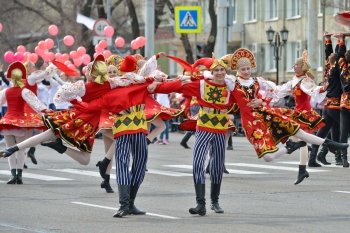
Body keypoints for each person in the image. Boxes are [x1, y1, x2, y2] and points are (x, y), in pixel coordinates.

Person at [149, 57, 238, 216]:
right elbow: (179, 85)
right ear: (211, 72)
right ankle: (200, 204)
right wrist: (157, 86)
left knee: (217, 165)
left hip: (220, 126)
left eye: (222, 70)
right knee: (198, 163)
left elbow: (245, 98)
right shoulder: (202, 85)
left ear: (226, 71)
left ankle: (215, 201)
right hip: (204, 125)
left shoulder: (231, 86)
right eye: (216, 70)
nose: (219, 73)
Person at [0, 61, 47, 184]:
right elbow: (36, 104)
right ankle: (19, 176)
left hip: (7, 122)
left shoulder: (6, 91)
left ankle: (13, 175)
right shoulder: (24, 91)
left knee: (9, 148)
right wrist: (47, 113)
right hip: (20, 123)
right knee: (21, 149)